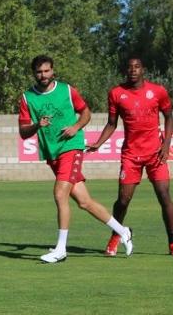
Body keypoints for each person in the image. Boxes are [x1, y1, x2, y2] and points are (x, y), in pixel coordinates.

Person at [18, 54, 132, 263]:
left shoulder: (66, 90)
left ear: (53, 71)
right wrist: (37, 125)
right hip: (52, 153)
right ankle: (123, 231)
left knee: (60, 194)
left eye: (46, 71)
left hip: (71, 148)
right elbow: (23, 132)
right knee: (84, 202)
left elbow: (86, 112)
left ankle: (61, 249)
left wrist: (76, 127)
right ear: (34, 73)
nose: (43, 75)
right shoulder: (27, 98)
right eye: (39, 72)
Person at [86, 56, 173, 257]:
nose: (133, 70)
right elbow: (112, 123)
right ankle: (117, 236)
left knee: (164, 196)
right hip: (131, 155)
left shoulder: (158, 91)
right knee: (122, 200)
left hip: (156, 154)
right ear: (125, 71)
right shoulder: (116, 93)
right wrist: (98, 142)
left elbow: (169, 117)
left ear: (143, 70)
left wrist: (166, 145)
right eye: (129, 67)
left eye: (137, 67)